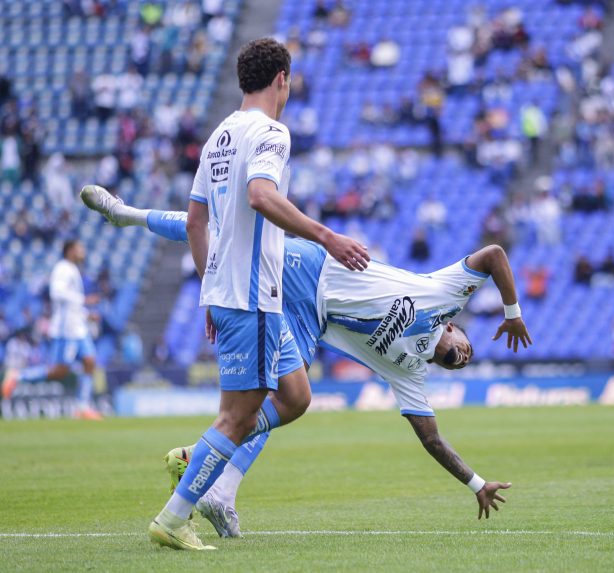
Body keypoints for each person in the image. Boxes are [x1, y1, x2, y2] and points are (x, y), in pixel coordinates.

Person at [80, 182, 531, 539]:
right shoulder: (444, 293)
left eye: (460, 365)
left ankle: (214, 479)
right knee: (221, 237)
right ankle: (128, 214)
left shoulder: (409, 370)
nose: (463, 359)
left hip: (305, 320)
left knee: (291, 400)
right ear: (454, 326)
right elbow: (493, 255)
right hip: (309, 267)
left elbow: (432, 440)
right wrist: (512, 312)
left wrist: (476, 483)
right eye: (467, 349)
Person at [98, 38, 368, 551]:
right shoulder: (271, 132)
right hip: (251, 293)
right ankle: (175, 517)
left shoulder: (219, 135)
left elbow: (197, 220)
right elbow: (261, 195)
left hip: (233, 290)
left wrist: (208, 287)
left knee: (295, 395)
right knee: (238, 415)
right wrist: (327, 236)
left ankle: (198, 455)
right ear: (282, 79)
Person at [1, 240, 102, 419]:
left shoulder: (72, 269)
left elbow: (71, 304)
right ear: (70, 250)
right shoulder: (62, 268)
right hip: (66, 330)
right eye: (79, 249)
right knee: (58, 371)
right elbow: (57, 293)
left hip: (78, 327)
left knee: (90, 360)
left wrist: (86, 314)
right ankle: (18, 376)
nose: (83, 252)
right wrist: (84, 300)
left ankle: (82, 407)